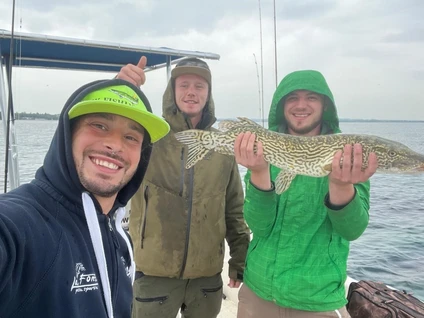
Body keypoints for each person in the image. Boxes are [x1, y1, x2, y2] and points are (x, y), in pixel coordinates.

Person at [0, 78, 170, 317]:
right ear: (67, 135)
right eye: (99, 125)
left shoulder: (119, 238)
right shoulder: (19, 223)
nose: (114, 145)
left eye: (131, 137)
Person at [234, 70, 378, 318]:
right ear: (282, 106)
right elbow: (259, 225)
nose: (301, 105)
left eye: (311, 97)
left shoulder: (349, 155)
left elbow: (352, 230)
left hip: (317, 300)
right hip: (256, 293)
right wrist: (258, 172)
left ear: (325, 105)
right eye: (292, 98)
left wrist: (342, 187)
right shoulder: (263, 150)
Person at [117, 57, 250, 318]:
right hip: (154, 274)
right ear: (172, 91)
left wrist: (240, 259)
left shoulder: (222, 145)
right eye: (184, 85)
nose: (191, 92)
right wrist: (121, 89)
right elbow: (113, 136)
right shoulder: (149, 135)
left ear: (208, 93)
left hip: (207, 278)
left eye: (200, 86)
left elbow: (233, 208)